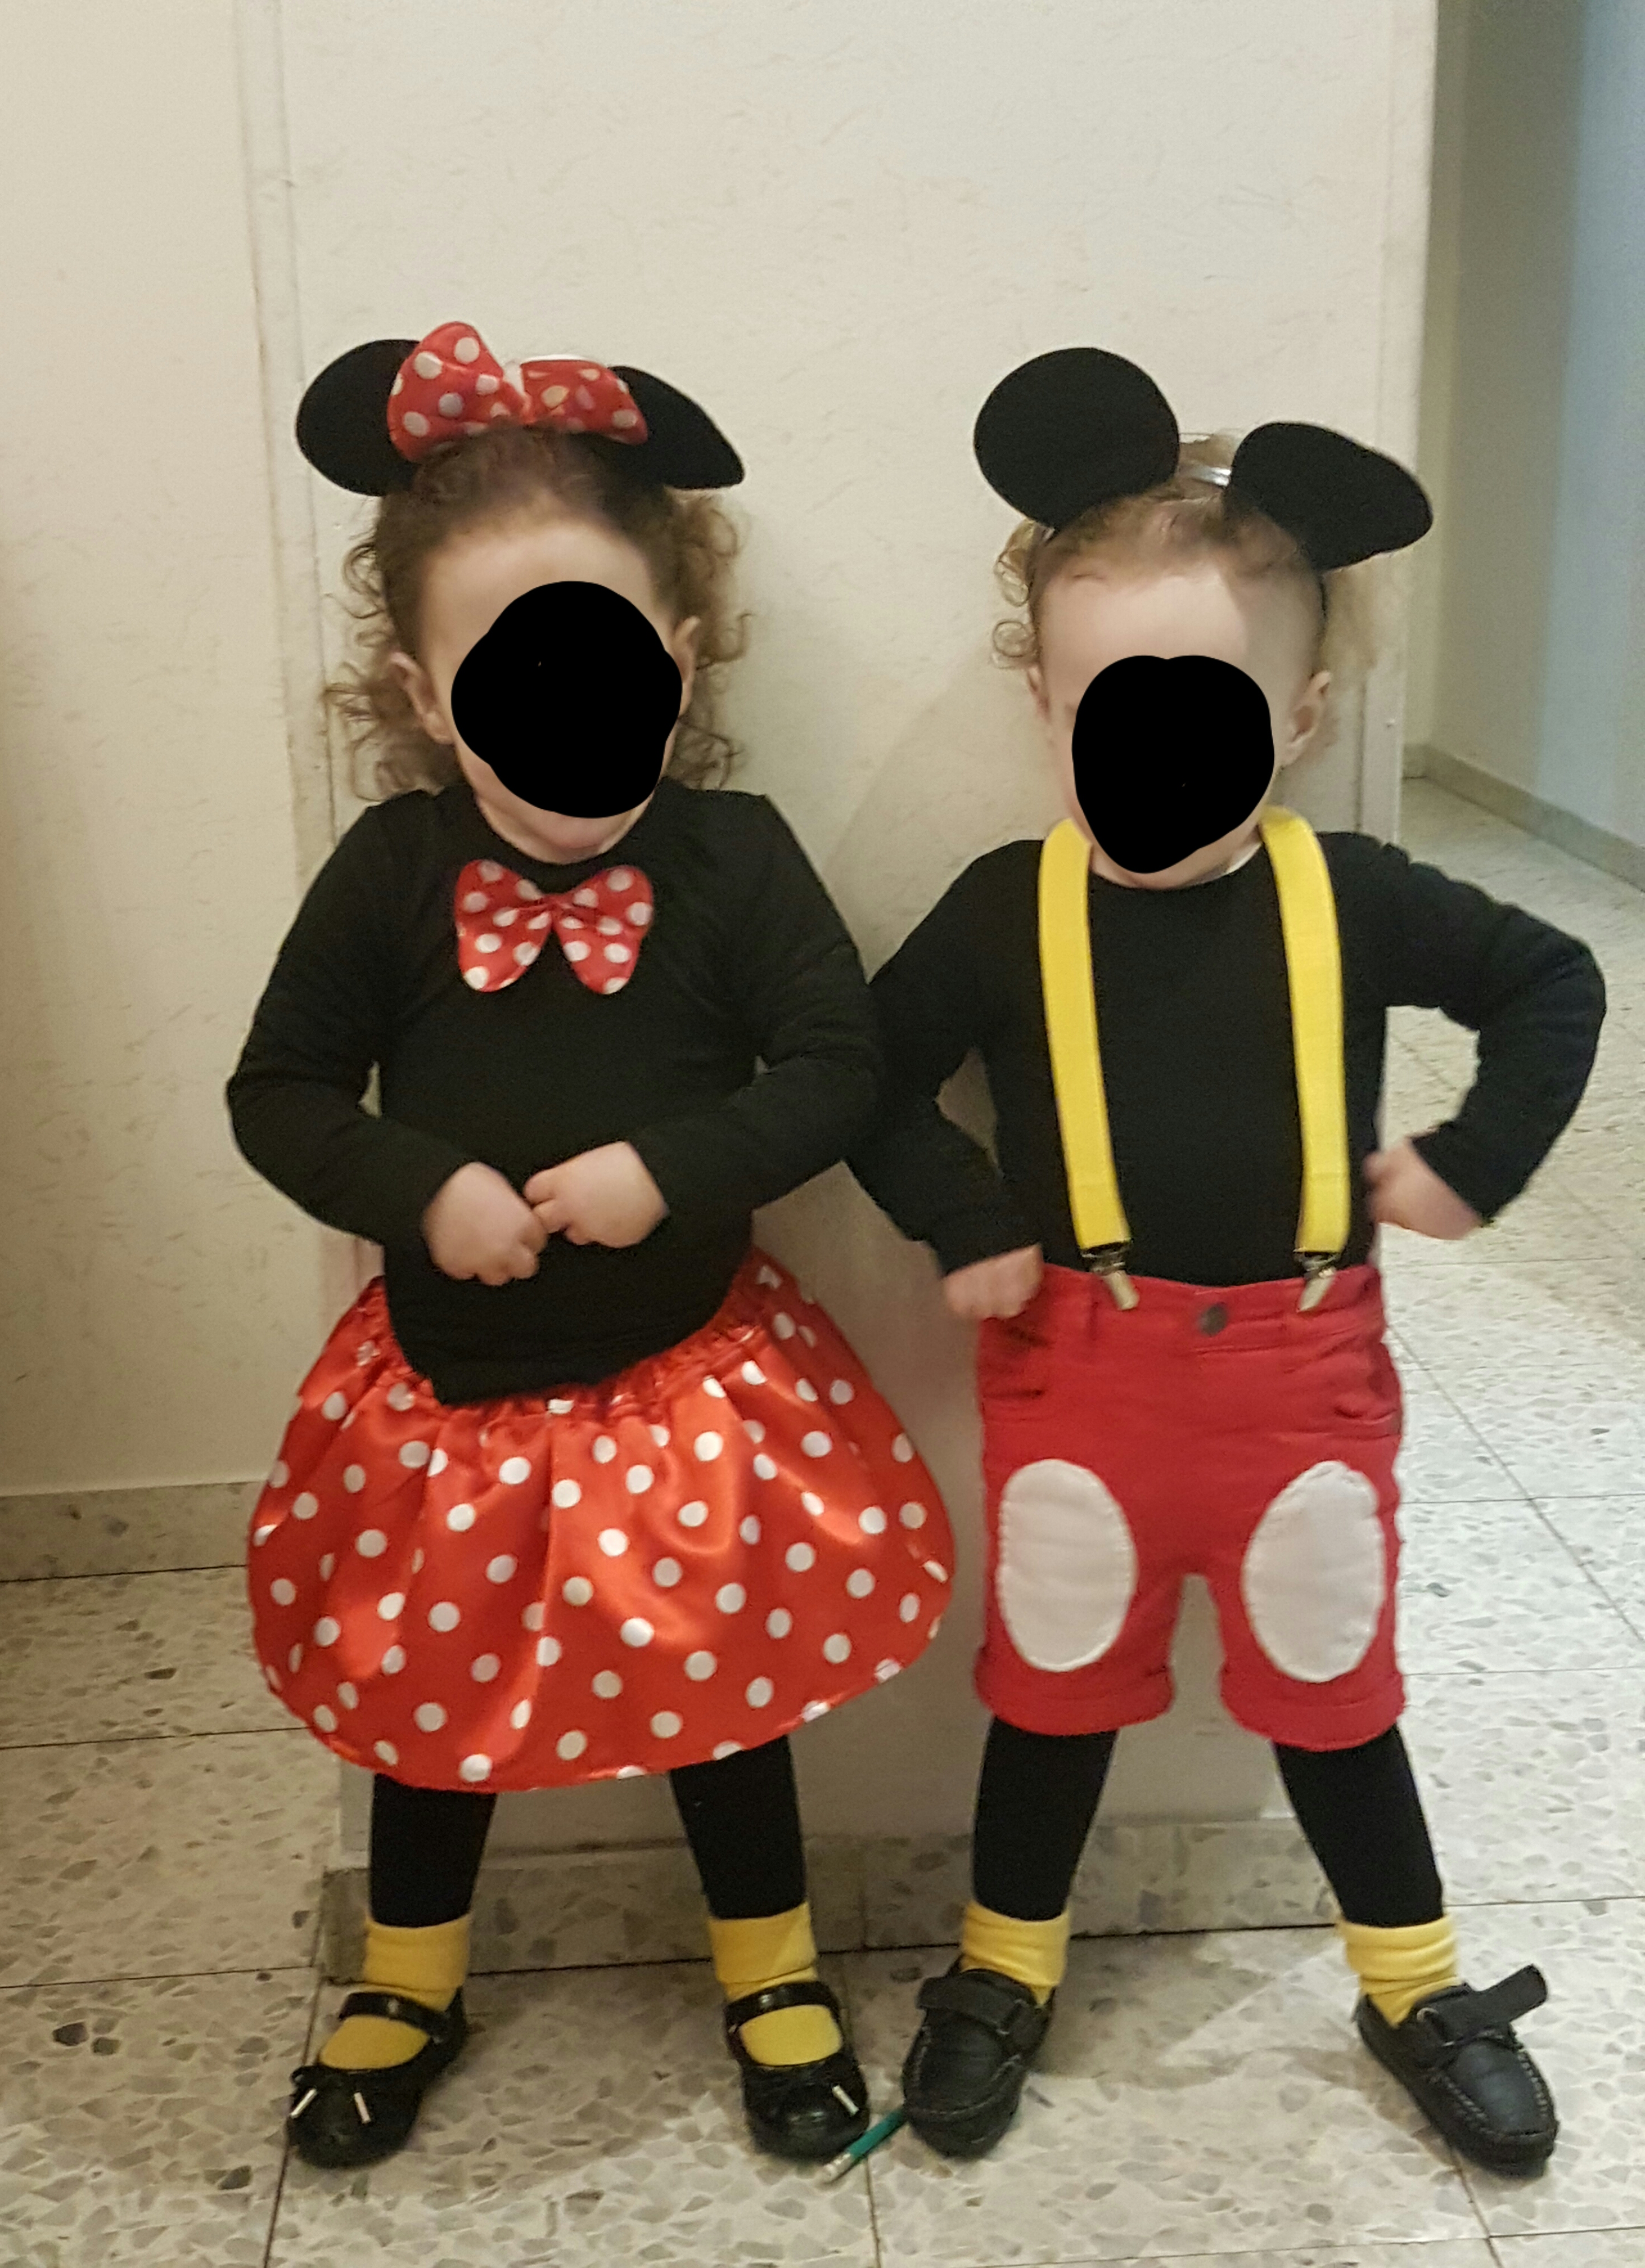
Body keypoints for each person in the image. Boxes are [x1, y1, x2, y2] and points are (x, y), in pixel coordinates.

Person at [850, 348, 1604, 2172]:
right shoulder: (1004, 911)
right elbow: (856, 1078)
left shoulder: (1353, 894)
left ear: (1303, 713)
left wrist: (1472, 1161)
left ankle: (1413, 1986)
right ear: (1049, 702)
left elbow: (1554, 981)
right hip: (1080, 1383)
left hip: (1300, 1390)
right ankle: (1004, 1969)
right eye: (1113, 703)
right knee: (1050, 1696)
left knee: (1339, 1700)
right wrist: (965, 1215)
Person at [228, 320, 952, 2170]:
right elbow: (279, 1090)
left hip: (681, 1390)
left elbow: (841, 1065)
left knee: (719, 1694)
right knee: (426, 1703)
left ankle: (771, 1967)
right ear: (424, 691)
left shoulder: (736, 855)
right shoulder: (391, 872)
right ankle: (409, 1974)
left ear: (679, 657)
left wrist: (674, 1170)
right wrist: (419, 1187)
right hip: (452, 1403)